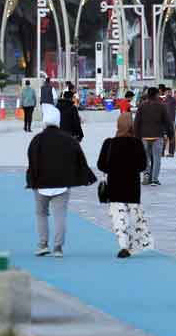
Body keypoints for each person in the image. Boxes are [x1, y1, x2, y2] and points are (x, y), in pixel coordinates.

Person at [26, 104, 97, 258]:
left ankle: (43, 244)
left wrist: (31, 180)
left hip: (41, 183)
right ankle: (58, 247)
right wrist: (85, 177)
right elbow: (80, 160)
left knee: (41, 213)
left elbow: (31, 161)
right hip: (62, 184)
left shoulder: (37, 140)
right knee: (60, 215)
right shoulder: (69, 140)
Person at [97, 111, 152, 258]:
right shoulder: (137, 143)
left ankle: (123, 245)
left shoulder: (109, 143)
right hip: (132, 187)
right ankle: (133, 245)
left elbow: (101, 165)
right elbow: (142, 166)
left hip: (115, 186)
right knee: (133, 216)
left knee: (119, 217)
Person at [136, 87, 175, 185]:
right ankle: (154, 179)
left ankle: (146, 175)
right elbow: (168, 122)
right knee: (157, 158)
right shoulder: (161, 106)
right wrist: (171, 136)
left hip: (144, 136)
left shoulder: (142, 106)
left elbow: (136, 123)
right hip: (158, 136)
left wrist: (136, 137)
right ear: (157, 95)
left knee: (146, 158)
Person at [160, 85, 176, 156]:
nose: (169, 93)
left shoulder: (173, 99)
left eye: (170, 92)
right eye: (167, 92)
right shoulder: (162, 99)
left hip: (171, 121)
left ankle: (171, 152)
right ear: (165, 92)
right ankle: (162, 152)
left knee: (171, 137)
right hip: (164, 122)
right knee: (164, 137)